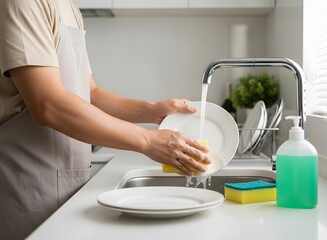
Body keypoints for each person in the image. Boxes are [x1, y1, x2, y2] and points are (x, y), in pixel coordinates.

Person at [0, 0, 210, 239]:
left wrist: (152, 111)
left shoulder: (69, 8)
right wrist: (148, 141)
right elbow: (48, 104)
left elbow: (90, 91)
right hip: (28, 181)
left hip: (69, 179)